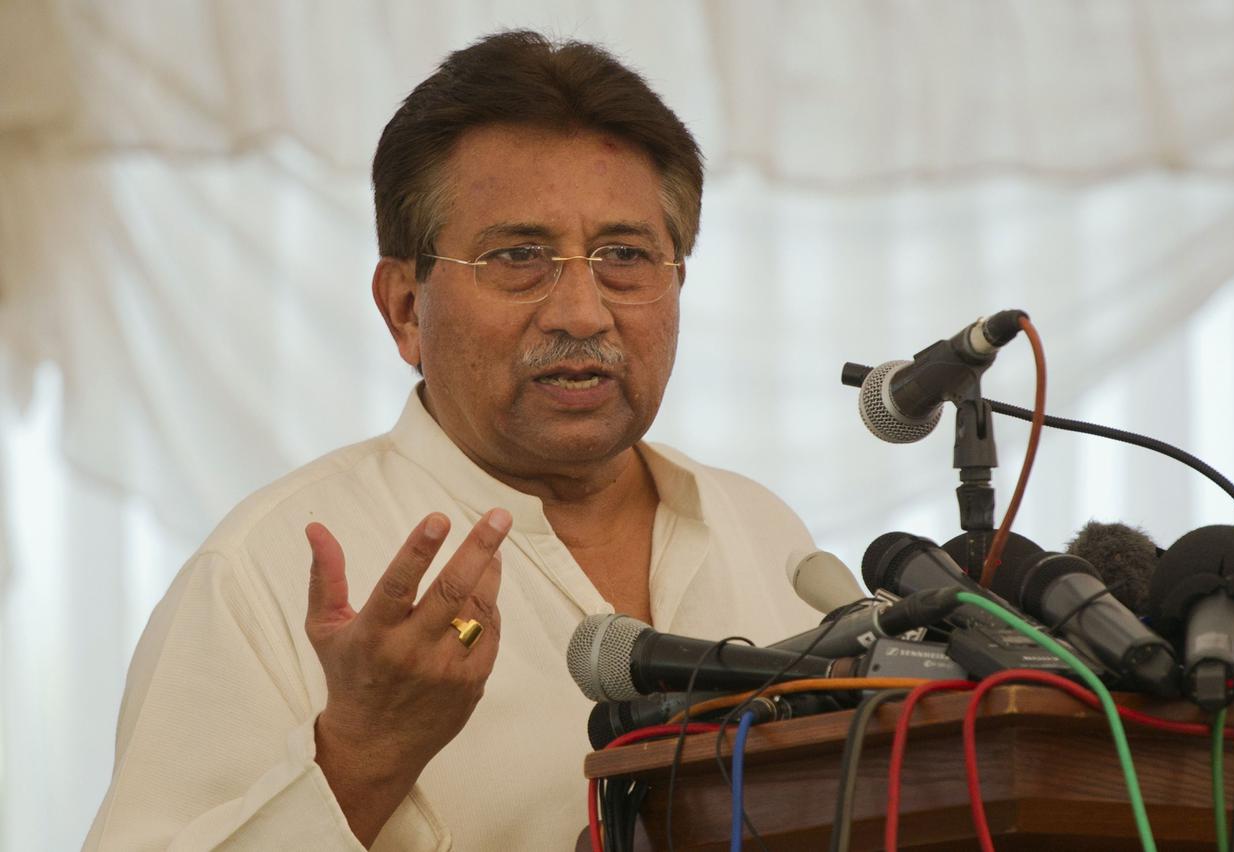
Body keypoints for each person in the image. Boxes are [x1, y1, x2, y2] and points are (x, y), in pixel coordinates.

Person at [85, 30, 818, 851]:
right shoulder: (261, 574)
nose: (583, 313)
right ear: (405, 307)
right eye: (518, 256)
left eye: (624, 255)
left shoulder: (767, 536)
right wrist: (360, 755)